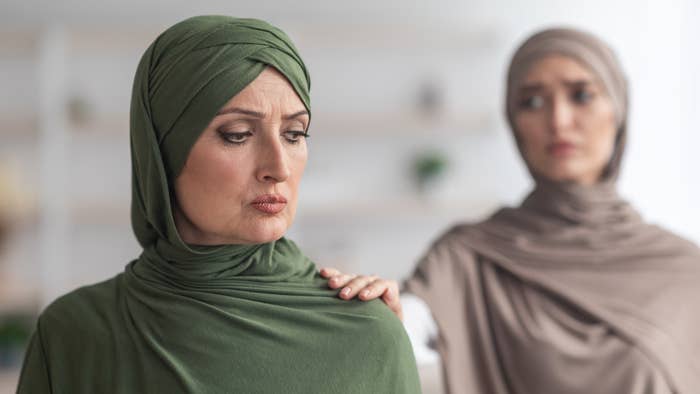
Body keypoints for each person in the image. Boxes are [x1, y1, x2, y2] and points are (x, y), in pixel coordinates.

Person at [16, 15, 420, 394]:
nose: (278, 167)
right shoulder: (73, 335)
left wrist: (382, 331)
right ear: (164, 152)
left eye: (295, 134)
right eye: (238, 134)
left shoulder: (368, 332)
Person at [322, 27, 700, 393]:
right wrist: (381, 317)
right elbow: (415, 323)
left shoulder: (685, 271)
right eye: (532, 102)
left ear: (618, 110)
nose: (558, 121)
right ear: (514, 123)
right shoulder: (470, 256)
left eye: (581, 95)